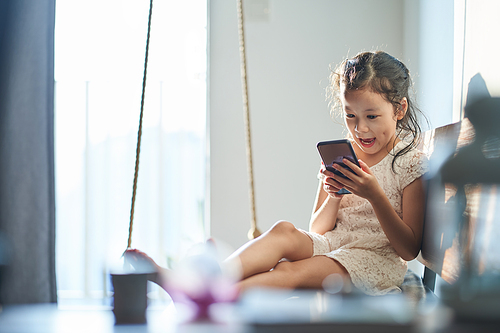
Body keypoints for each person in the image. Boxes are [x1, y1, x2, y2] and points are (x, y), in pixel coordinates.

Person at [127, 50, 428, 296]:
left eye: (371, 116)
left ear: (399, 110)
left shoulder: (409, 163)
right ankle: (200, 284)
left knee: (287, 271)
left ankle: (200, 295)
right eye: (350, 115)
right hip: (334, 244)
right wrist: (334, 195)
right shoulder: (344, 154)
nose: (360, 128)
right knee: (284, 230)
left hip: (374, 260)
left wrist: (374, 195)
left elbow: (409, 249)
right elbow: (319, 229)